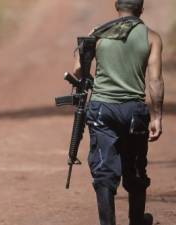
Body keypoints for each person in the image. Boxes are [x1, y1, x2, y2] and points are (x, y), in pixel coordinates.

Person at [73, 0, 164, 225]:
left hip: (102, 109)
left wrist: (87, 52)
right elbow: (155, 81)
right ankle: (136, 220)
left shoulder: (99, 33)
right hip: (134, 110)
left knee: (104, 171)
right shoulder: (152, 37)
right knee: (134, 169)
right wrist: (156, 116)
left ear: (116, 6)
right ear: (141, 9)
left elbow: (77, 69)